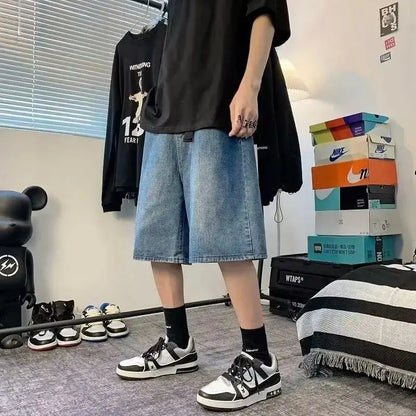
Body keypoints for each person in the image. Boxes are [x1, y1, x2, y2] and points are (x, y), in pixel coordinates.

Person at [117, 0, 291, 411]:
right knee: (158, 235)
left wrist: (249, 87)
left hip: (217, 104)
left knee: (225, 232)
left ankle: (259, 359)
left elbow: (265, 12)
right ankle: (178, 344)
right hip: (164, 115)